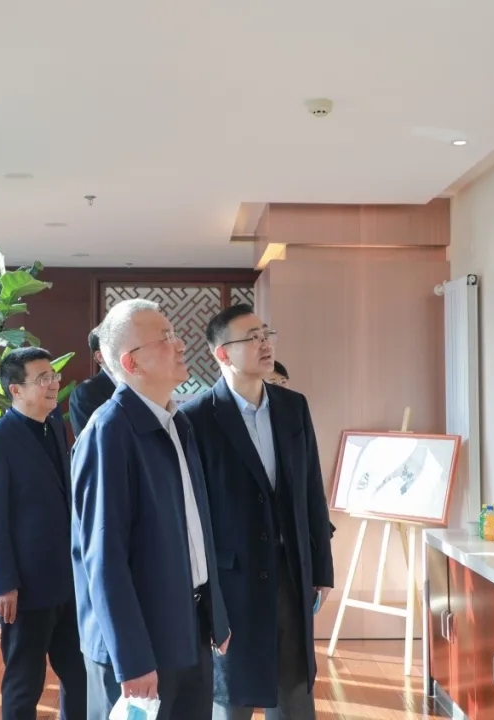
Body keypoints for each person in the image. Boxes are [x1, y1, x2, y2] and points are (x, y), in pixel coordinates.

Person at [70, 298, 231, 720]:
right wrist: (132, 657)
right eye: (165, 338)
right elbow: (103, 558)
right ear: (131, 362)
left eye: (175, 334)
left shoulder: (177, 422)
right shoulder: (109, 432)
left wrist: (216, 617)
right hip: (140, 644)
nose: (180, 344)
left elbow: (197, 528)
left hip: (188, 626)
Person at [180, 304, 334, 720]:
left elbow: (311, 491)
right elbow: (193, 513)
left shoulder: (292, 407)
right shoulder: (195, 418)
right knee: (232, 698)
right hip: (231, 581)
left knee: (295, 695)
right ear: (222, 353)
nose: (265, 344)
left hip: (290, 573)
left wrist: (321, 568)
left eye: (267, 335)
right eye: (252, 338)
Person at [0, 347, 88, 720]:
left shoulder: (54, 426)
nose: (53, 384)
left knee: (80, 676)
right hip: (26, 587)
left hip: (69, 579)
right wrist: (3, 583)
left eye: (53, 376)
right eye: (43, 379)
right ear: (16, 389)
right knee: (25, 682)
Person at [68, 326, 117, 437]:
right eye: (118, 348)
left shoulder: (141, 384)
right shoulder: (85, 392)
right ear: (100, 356)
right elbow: (89, 440)